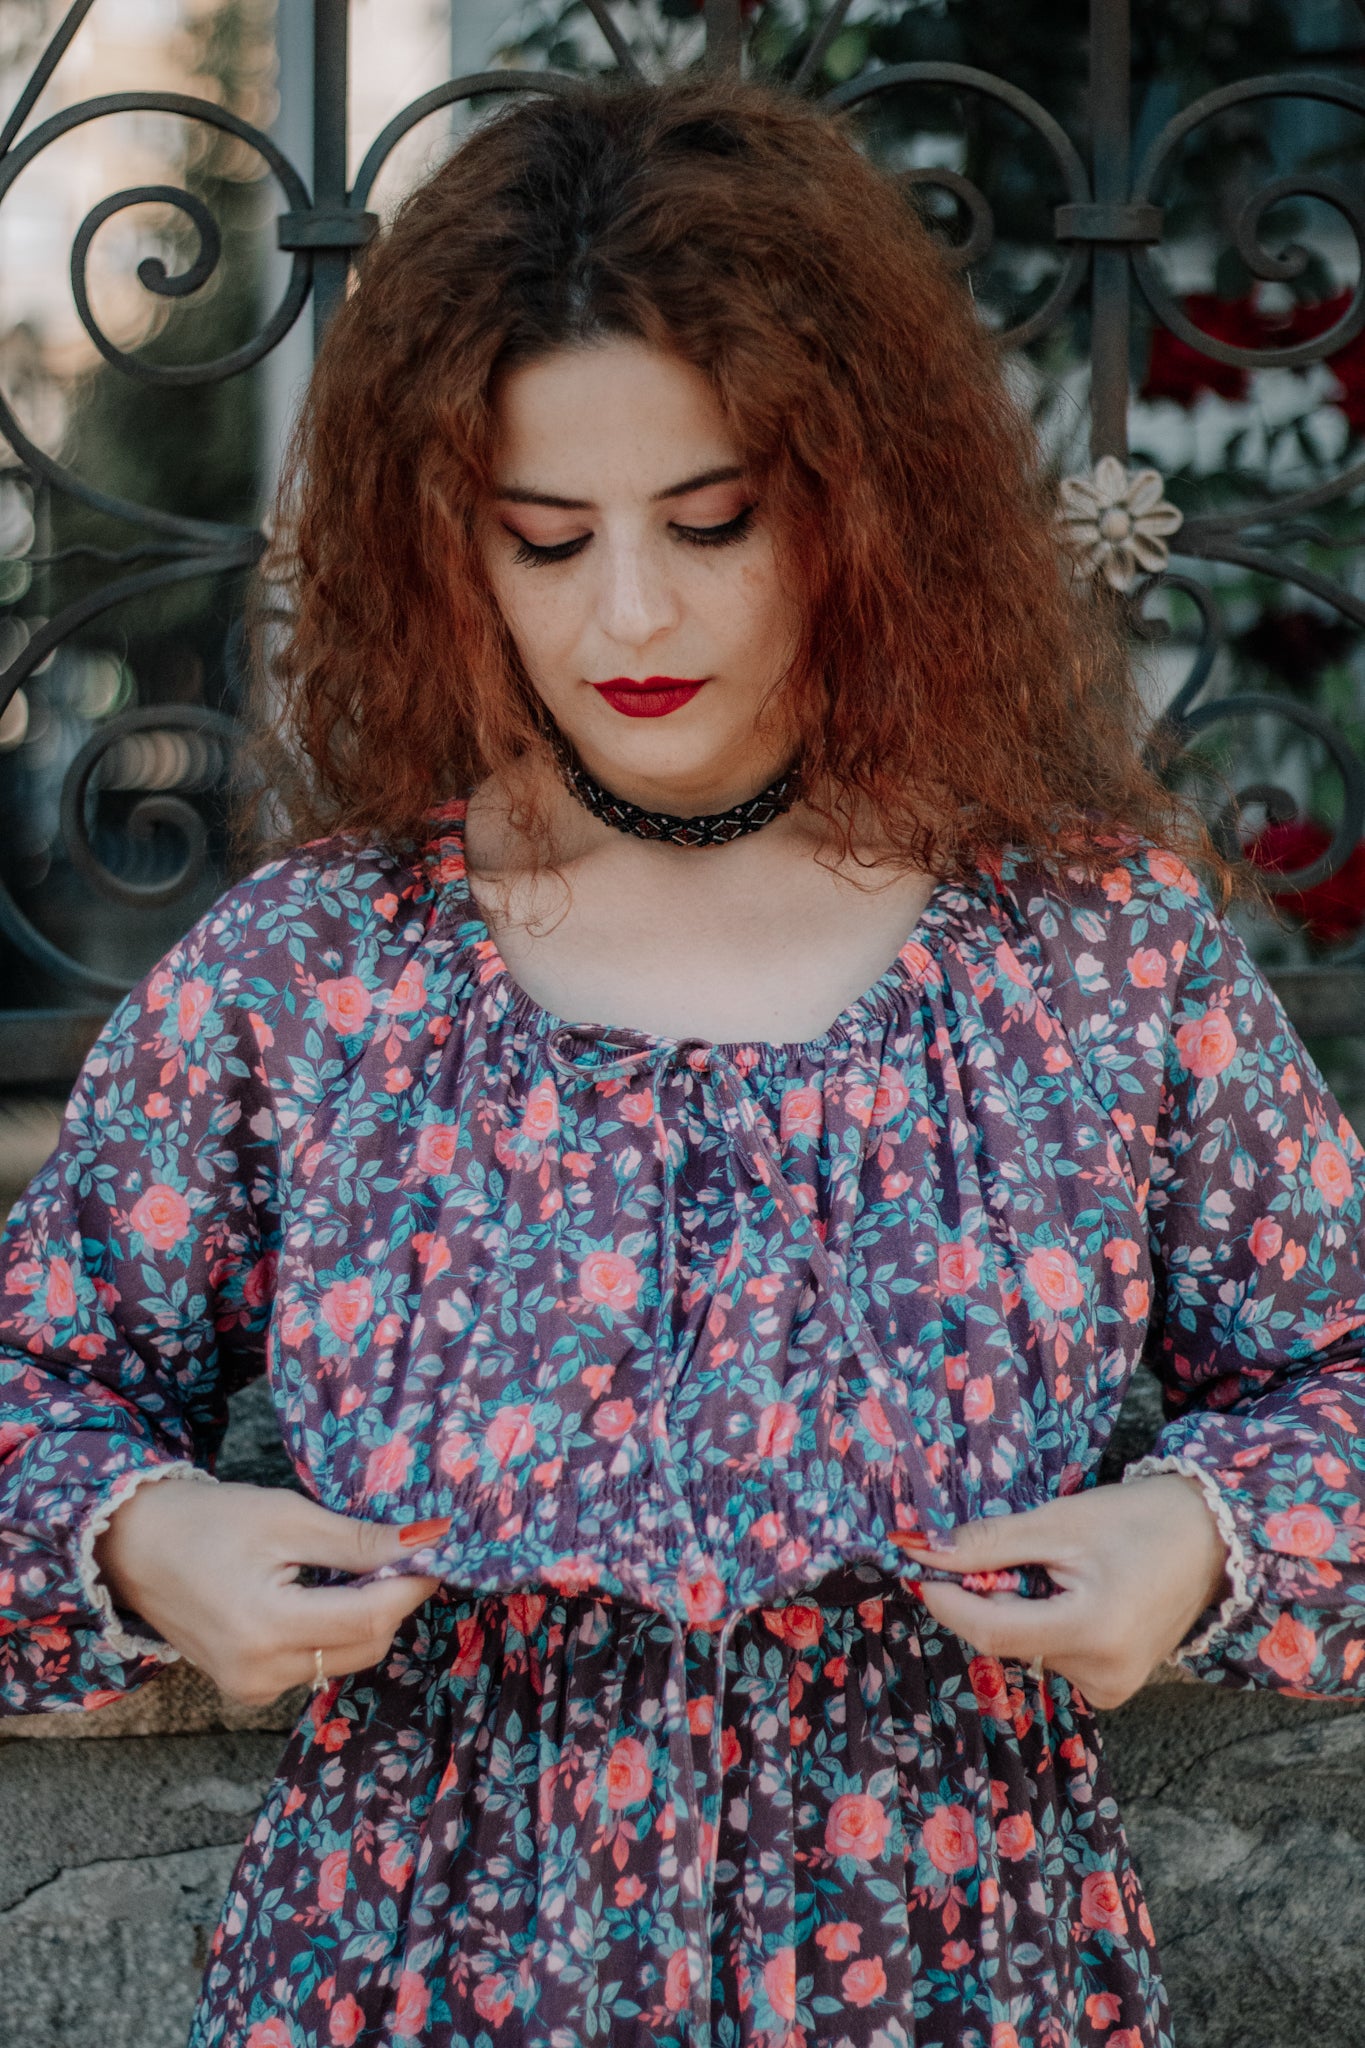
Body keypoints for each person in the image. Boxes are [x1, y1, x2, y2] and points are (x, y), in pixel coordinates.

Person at [1, 72, 1362, 2048]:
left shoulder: (1093, 955)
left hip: (961, 1986)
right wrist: (147, 1537)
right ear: (437, 543)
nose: (627, 611)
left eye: (713, 520)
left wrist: (1200, 1536)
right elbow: (31, 1390)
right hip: (408, 1986)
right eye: (542, 540)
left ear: (861, 504)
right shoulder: (308, 976)